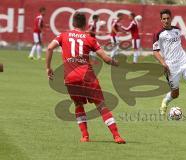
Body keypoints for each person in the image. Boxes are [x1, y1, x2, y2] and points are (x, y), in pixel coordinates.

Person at [46, 12, 126, 144]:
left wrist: (48, 68)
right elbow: (106, 59)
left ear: (73, 23)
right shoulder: (89, 38)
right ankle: (116, 136)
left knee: (78, 104)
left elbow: (49, 48)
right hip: (87, 76)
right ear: (85, 24)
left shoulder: (63, 35)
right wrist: (117, 63)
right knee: (101, 105)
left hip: (70, 78)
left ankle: (85, 136)